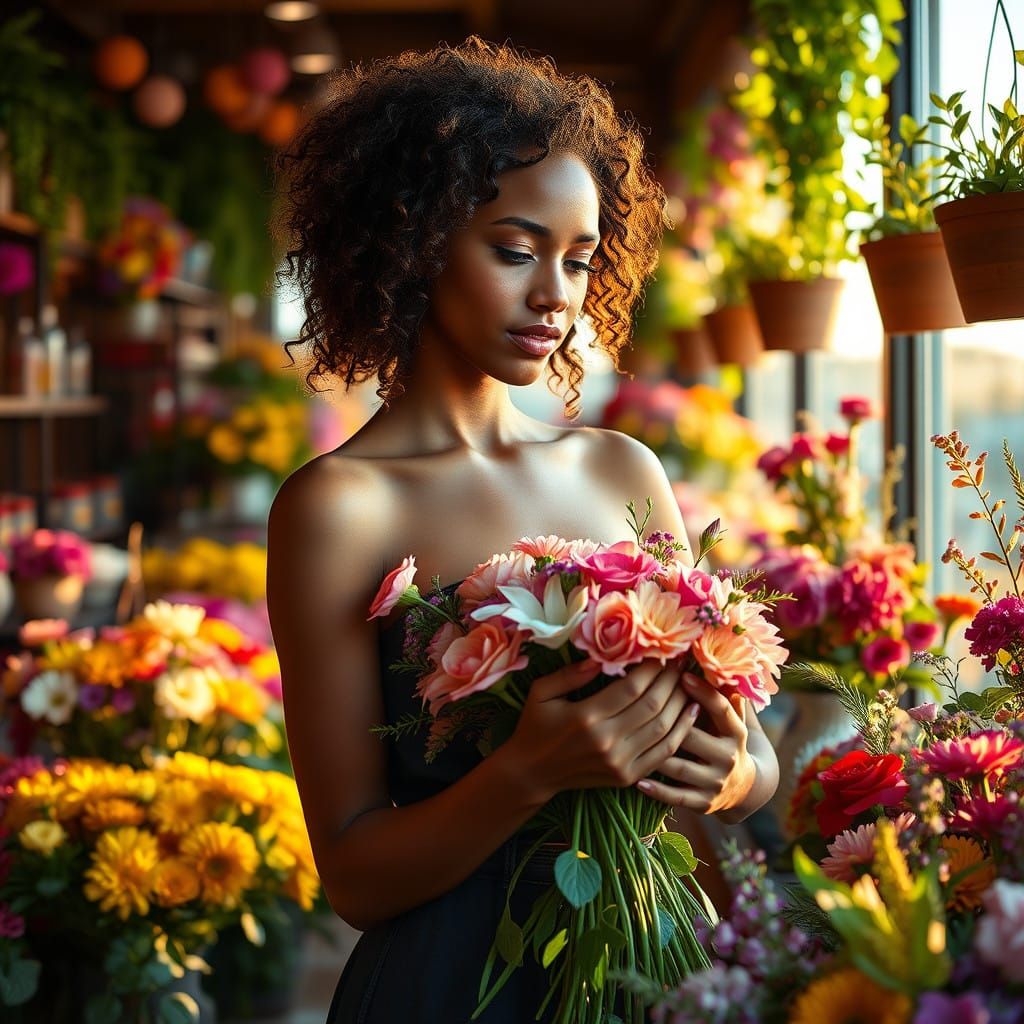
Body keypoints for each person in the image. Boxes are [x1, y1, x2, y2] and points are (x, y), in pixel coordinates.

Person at [267, 37, 779, 1023]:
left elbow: (750, 759)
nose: (555, 295)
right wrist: (529, 771)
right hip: (451, 989)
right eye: (514, 251)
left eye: (579, 260)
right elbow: (355, 878)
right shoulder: (337, 507)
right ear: (411, 242)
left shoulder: (621, 469)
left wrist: (731, 778)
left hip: (651, 975)